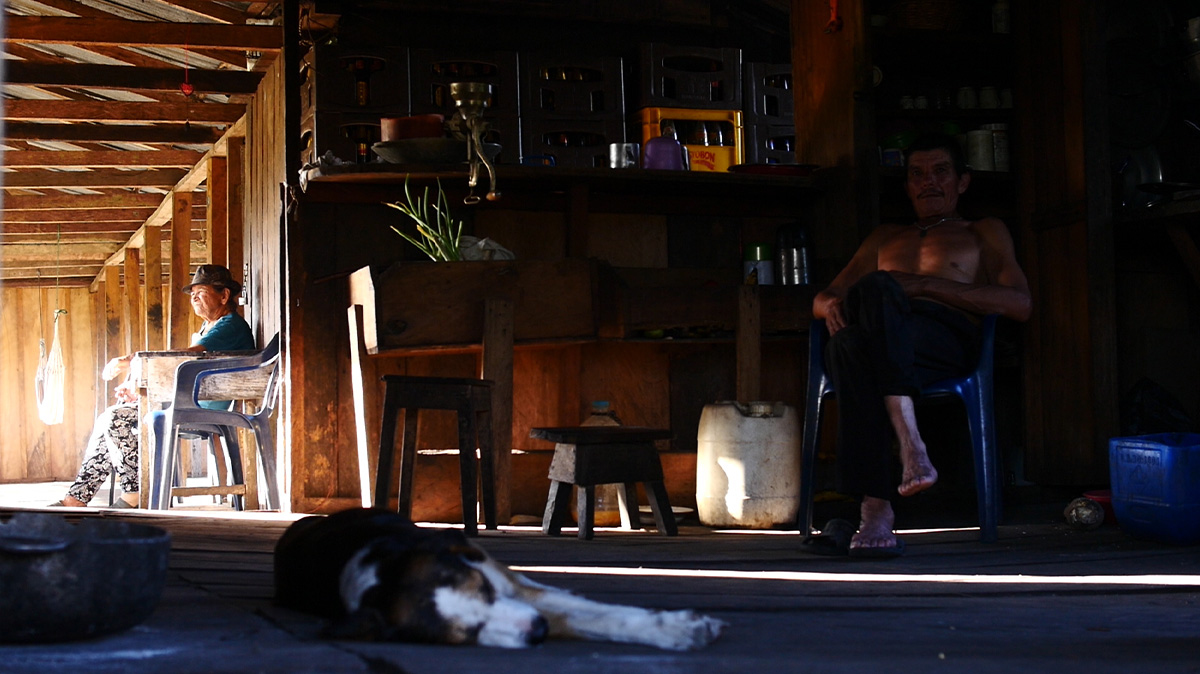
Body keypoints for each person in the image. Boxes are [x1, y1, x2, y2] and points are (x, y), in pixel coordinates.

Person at [811, 133, 1032, 555]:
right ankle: (906, 447)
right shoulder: (884, 237)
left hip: (942, 338)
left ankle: (875, 505)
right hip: (881, 341)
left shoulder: (982, 231)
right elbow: (825, 296)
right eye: (917, 174)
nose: (928, 182)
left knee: (863, 323)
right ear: (908, 186)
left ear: (962, 182)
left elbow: (1019, 304)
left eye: (940, 172)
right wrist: (831, 306)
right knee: (848, 339)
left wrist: (924, 286)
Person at [51, 265, 255, 508]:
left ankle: (134, 492)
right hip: (190, 401)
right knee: (109, 418)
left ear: (224, 296)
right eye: (192, 294)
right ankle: (77, 498)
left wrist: (131, 361)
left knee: (116, 418)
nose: (194, 299)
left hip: (201, 407)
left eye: (201, 292)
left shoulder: (229, 325)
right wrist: (138, 389)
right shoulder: (210, 327)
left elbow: (182, 357)